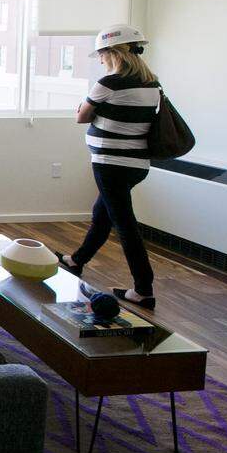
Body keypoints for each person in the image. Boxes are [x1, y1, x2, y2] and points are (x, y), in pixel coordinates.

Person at [56, 24, 159, 310]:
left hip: (111, 164)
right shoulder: (152, 84)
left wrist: (90, 108)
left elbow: (82, 116)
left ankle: (144, 289)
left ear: (113, 53)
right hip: (137, 165)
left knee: (124, 224)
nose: (101, 60)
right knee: (102, 215)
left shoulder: (109, 83)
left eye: (101, 54)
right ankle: (76, 260)